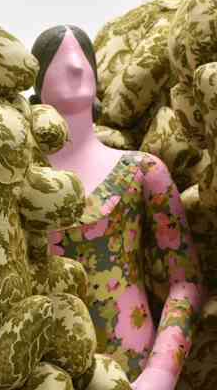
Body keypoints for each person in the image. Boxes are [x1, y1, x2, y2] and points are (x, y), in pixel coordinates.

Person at [31, 25, 203, 390]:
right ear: (36, 84)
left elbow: (186, 282)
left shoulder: (143, 171)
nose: (74, 65)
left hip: (134, 370)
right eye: (57, 57)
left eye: (82, 56)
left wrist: (162, 371)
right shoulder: (21, 184)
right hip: (44, 371)